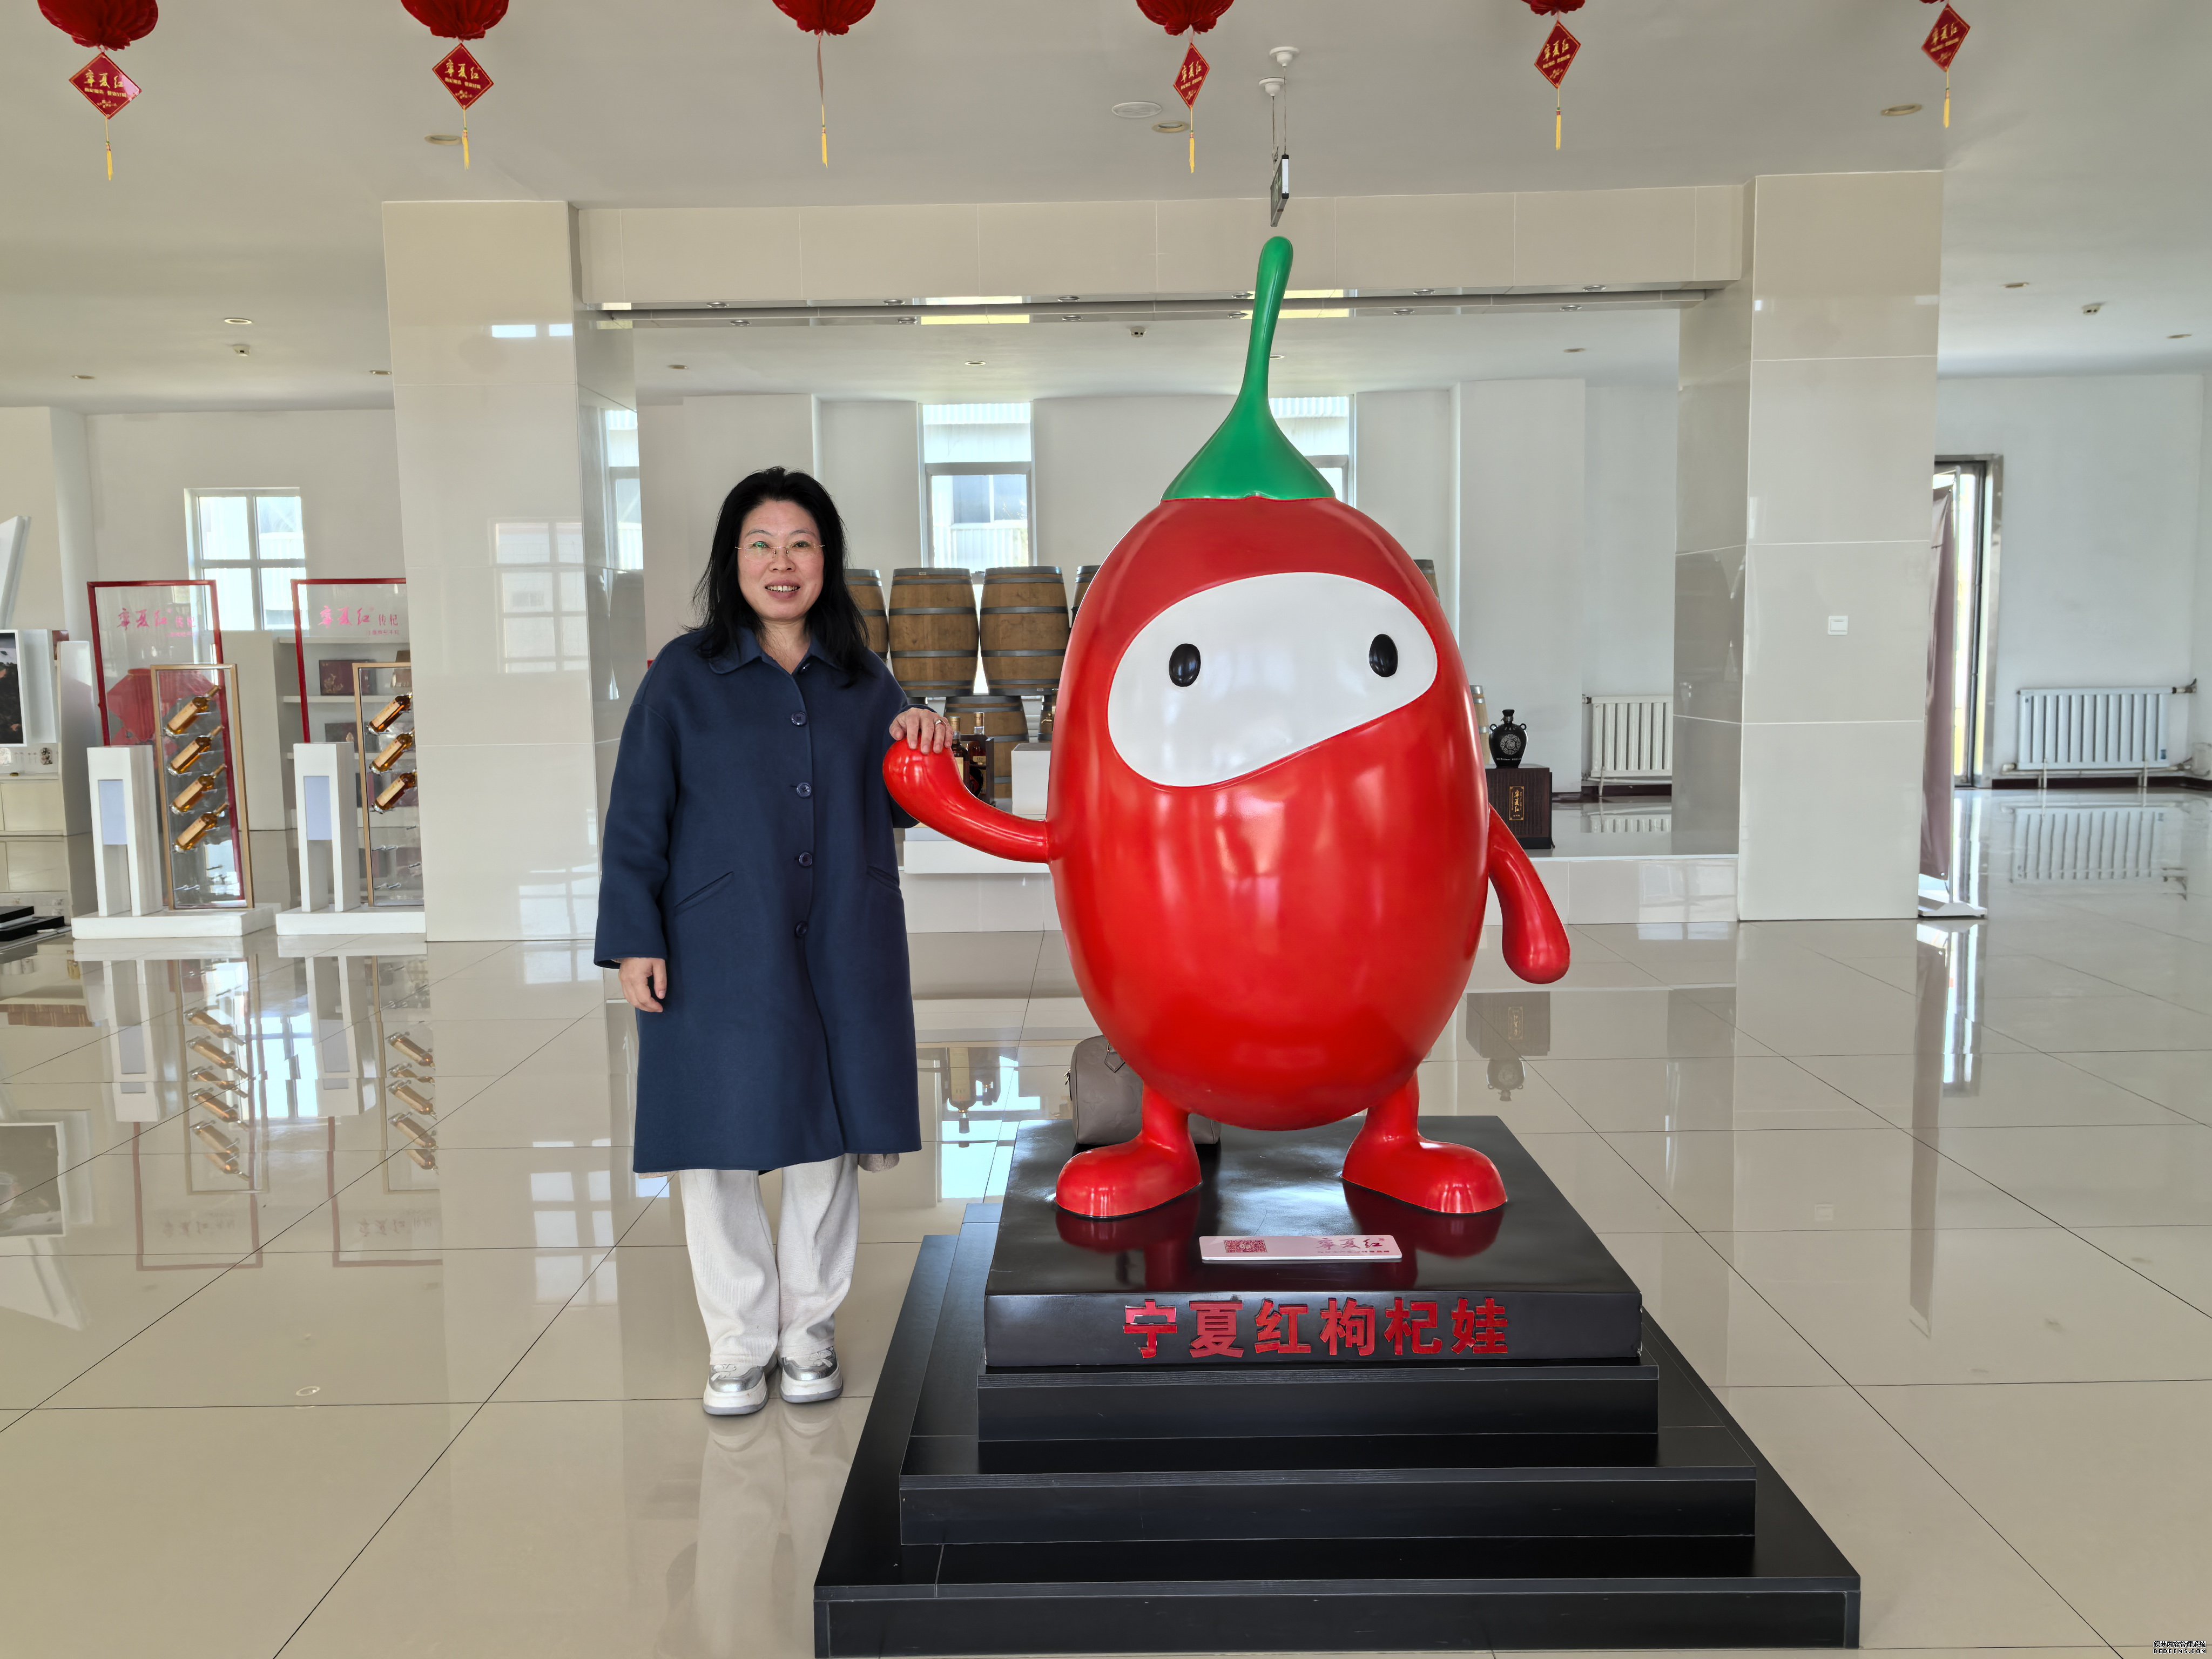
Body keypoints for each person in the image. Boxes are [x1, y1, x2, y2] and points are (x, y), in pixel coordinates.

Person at [594, 467, 956, 1417]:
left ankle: (807, 1333)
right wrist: (634, 936)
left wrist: (920, 733)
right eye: (761, 544)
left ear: (827, 561)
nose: (781, 563)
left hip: (842, 934)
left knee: (823, 1137)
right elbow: (636, 814)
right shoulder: (684, 676)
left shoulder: (863, 678)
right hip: (717, 940)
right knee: (715, 1139)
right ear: (734, 559)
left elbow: (901, 803)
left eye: (801, 544)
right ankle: (739, 1343)